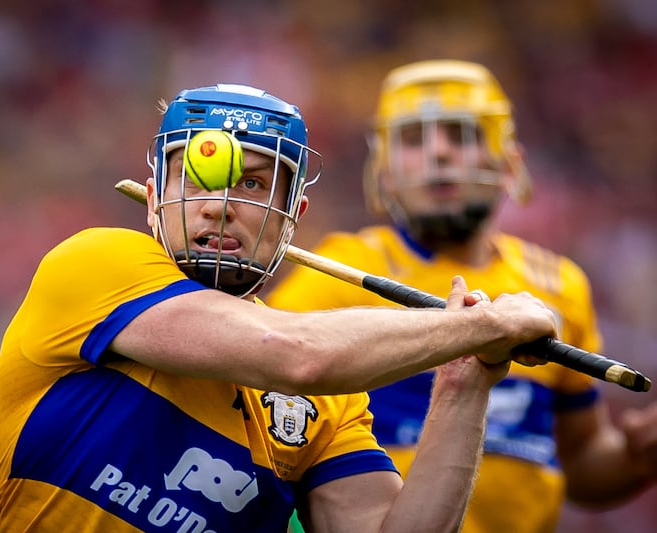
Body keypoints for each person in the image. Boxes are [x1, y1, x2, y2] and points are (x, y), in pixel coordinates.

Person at [0, 82, 558, 532]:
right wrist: (477, 324)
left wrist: (464, 383)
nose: (220, 205)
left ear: (293, 214)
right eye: (196, 176)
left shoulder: (327, 409)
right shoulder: (92, 265)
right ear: (156, 195)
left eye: (254, 184)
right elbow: (292, 353)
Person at [267, 61, 657, 532]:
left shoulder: (560, 284)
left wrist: (638, 458)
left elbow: (581, 464)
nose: (438, 154)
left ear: (508, 162)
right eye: (413, 140)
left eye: (460, 134)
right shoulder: (339, 271)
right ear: (384, 173)